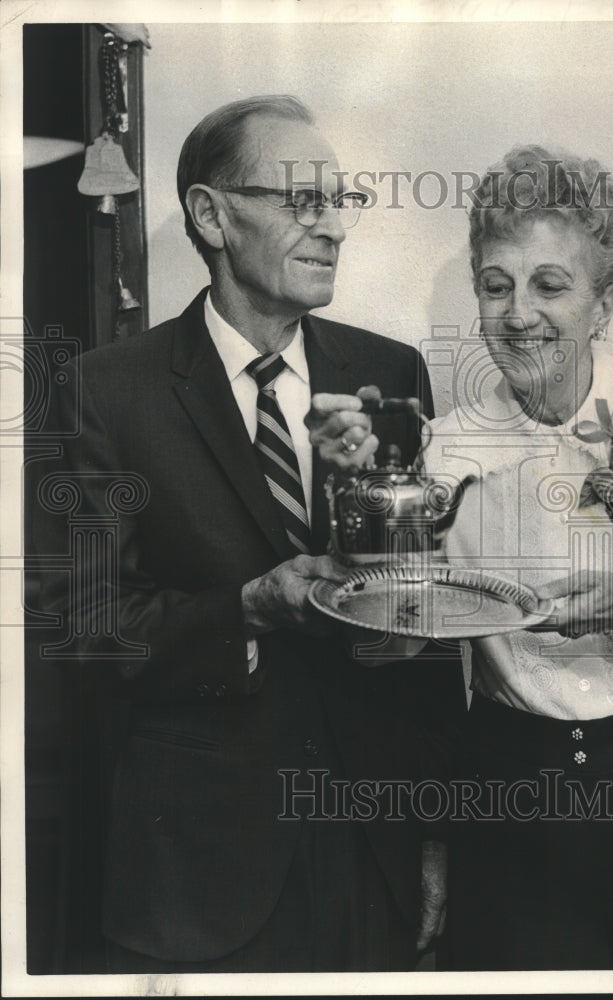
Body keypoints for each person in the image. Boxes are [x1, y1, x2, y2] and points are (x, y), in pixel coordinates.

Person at [32, 95, 465, 973]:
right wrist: (250, 611)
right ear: (210, 215)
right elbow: (80, 629)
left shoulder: (389, 373)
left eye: (338, 202)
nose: (331, 227)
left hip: (370, 855)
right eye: (301, 200)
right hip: (200, 875)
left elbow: (421, 626)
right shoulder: (102, 393)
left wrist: (432, 838)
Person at [317, 145, 613, 970]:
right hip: (509, 800)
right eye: (496, 285)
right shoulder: (444, 446)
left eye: (550, 285)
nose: (518, 312)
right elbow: (386, 645)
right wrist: (358, 509)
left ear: (607, 301)